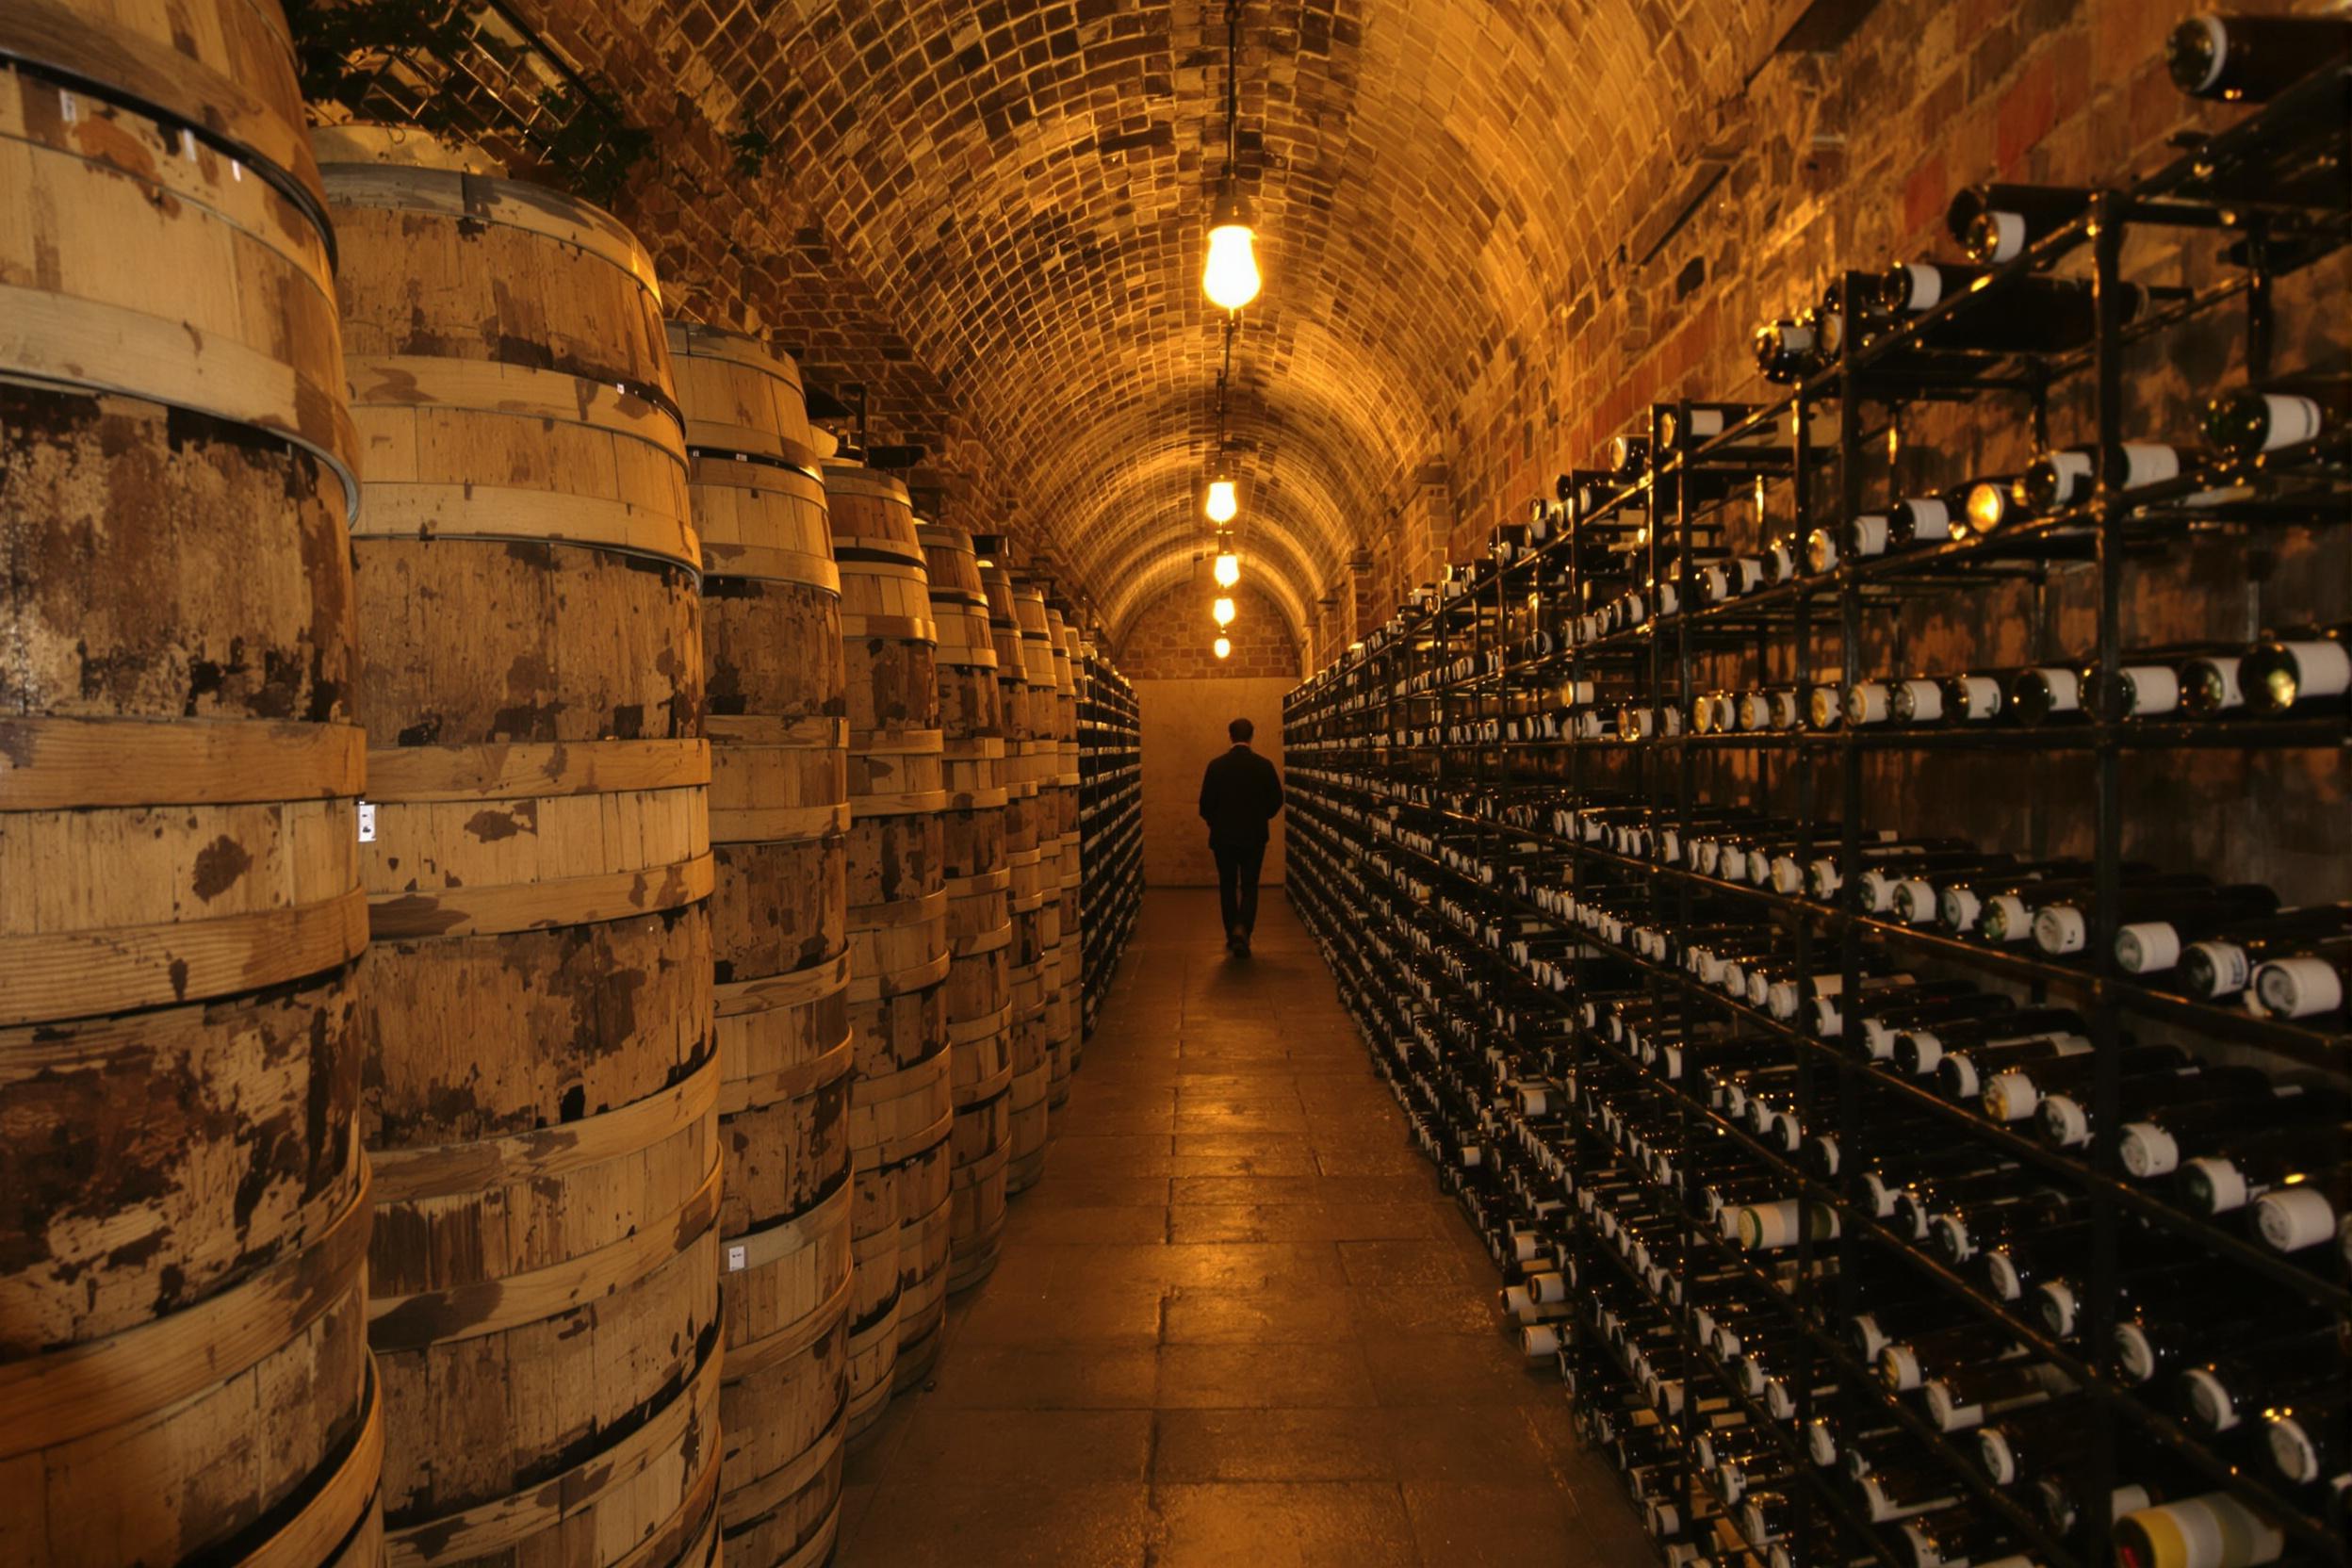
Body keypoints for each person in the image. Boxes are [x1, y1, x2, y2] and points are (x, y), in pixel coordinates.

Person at [1197, 716, 1283, 955]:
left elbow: (1205, 804)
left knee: (1227, 885)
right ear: (1251, 736)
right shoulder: (1264, 766)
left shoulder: (1216, 766)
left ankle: (1231, 932)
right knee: (1249, 885)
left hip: (1223, 837)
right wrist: (1260, 817)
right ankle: (1243, 929)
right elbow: (1277, 800)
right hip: (1254, 836)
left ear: (1230, 736)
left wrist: (1216, 822)